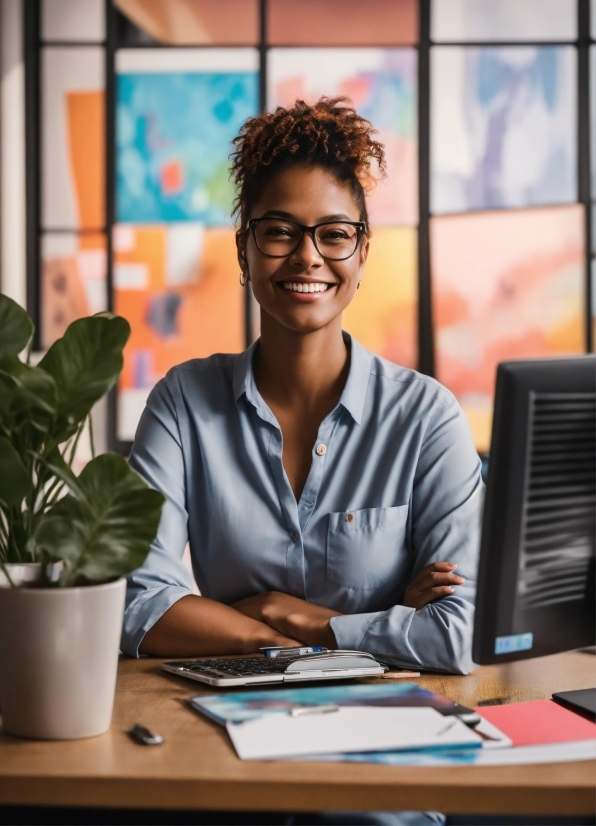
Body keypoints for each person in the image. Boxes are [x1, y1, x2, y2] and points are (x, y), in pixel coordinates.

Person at [122, 97, 483, 678]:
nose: (307, 256)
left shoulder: (426, 417)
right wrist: (358, 630)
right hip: (218, 722)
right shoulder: (183, 404)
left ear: (362, 254)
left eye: (334, 235)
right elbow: (136, 602)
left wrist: (299, 620)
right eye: (280, 232)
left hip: (389, 725)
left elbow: (460, 633)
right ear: (245, 249)